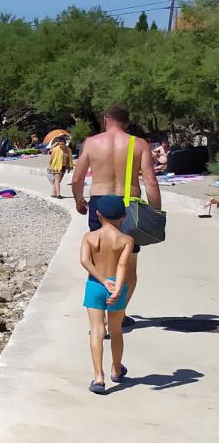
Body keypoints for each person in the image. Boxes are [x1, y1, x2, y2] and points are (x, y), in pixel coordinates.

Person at [71, 106, 161, 327]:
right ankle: (118, 316)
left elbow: (77, 178)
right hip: (129, 205)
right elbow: (150, 181)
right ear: (127, 122)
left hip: (100, 203)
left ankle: (98, 316)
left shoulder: (92, 143)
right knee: (128, 263)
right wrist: (156, 213)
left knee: (99, 260)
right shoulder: (139, 144)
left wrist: (79, 201)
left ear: (106, 120)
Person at [80, 196, 134, 394]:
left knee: (96, 330)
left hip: (95, 285)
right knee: (116, 330)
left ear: (98, 214)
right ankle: (117, 369)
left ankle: (98, 377)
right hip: (116, 287)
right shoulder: (126, 240)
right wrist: (117, 287)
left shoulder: (90, 237)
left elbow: (85, 261)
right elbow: (122, 265)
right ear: (124, 216)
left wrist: (103, 281)